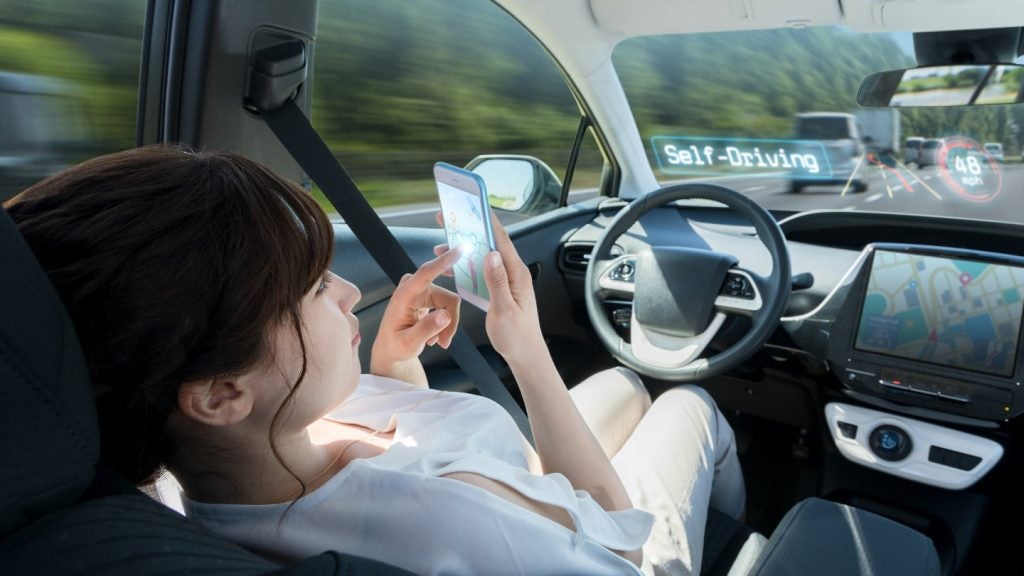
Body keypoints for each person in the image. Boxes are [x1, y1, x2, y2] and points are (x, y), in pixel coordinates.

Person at [5, 145, 745, 576]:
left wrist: (394, 374)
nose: (348, 292)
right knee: (688, 404)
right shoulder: (451, 522)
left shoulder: (182, 477)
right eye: (309, 290)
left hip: (522, 491)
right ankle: (738, 542)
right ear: (221, 394)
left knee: (622, 384)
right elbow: (615, 535)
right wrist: (526, 352)